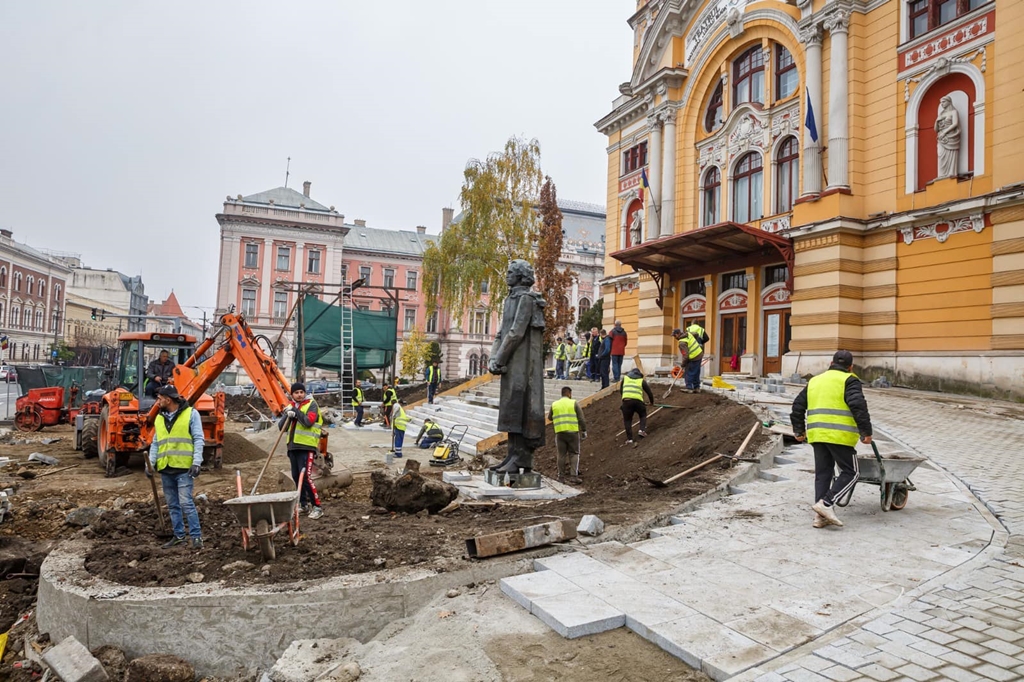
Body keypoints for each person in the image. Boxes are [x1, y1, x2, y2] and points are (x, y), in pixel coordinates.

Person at [790, 350, 873, 529]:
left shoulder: (815, 381)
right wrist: (866, 431)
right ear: (850, 367)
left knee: (823, 474)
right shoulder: (850, 380)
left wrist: (798, 430)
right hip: (839, 435)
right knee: (852, 472)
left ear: (831, 363)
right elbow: (858, 405)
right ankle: (826, 504)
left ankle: (819, 517)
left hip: (817, 435)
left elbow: (798, 405)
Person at [488, 259, 547, 474]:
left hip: (523, 364)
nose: (507, 274)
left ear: (521, 276)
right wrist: (493, 357)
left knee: (521, 407)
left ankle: (522, 459)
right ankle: (512, 455)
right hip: (510, 363)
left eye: (511, 271)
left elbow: (516, 332)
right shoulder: (509, 299)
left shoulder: (527, 299)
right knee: (511, 409)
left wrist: (500, 359)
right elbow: (502, 332)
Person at [147, 385, 204, 549]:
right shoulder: (159, 418)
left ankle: (196, 537)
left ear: (168, 399)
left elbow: (198, 439)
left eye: (160, 398)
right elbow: (156, 443)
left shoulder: (191, 414)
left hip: (184, 469)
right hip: (166, 468)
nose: (157, 401)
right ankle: (179, 536)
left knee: (186, 503)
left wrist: (196, 462)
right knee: (173, 505)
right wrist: (151, 464)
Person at [279, 382, 324, 519]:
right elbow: (282, 427)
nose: (299, 395)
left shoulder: (311, 405)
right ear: (291, 395)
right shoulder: (290, 407)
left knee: (305, 477)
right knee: (295, 476)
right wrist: (288, 414)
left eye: (301, 392)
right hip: (293, 447)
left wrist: (296, 412)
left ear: (305, 393)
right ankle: (303, 505)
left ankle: (317, 507)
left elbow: (308, 422)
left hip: (306, 446)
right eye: (296, 393)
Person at [548, 386, 587, 483]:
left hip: (560, 433)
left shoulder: (554, 404)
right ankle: (573, 477)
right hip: (573, 433)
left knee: (561, 455)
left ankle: (561, 477)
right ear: (569, 394)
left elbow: (550, 417)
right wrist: (584, 430)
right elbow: (581, 418)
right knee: (574, 453)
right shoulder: (573, 403)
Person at [620, 368, 655, 445]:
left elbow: (621, 390)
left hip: (626, 401)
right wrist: (651, 402)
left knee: (627, 420)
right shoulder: (641, 380)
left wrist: (624, 399)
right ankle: (642, 430)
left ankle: (630, 439)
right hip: (638, 401)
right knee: (643, 415)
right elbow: (649, 393)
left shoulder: (625, 378)